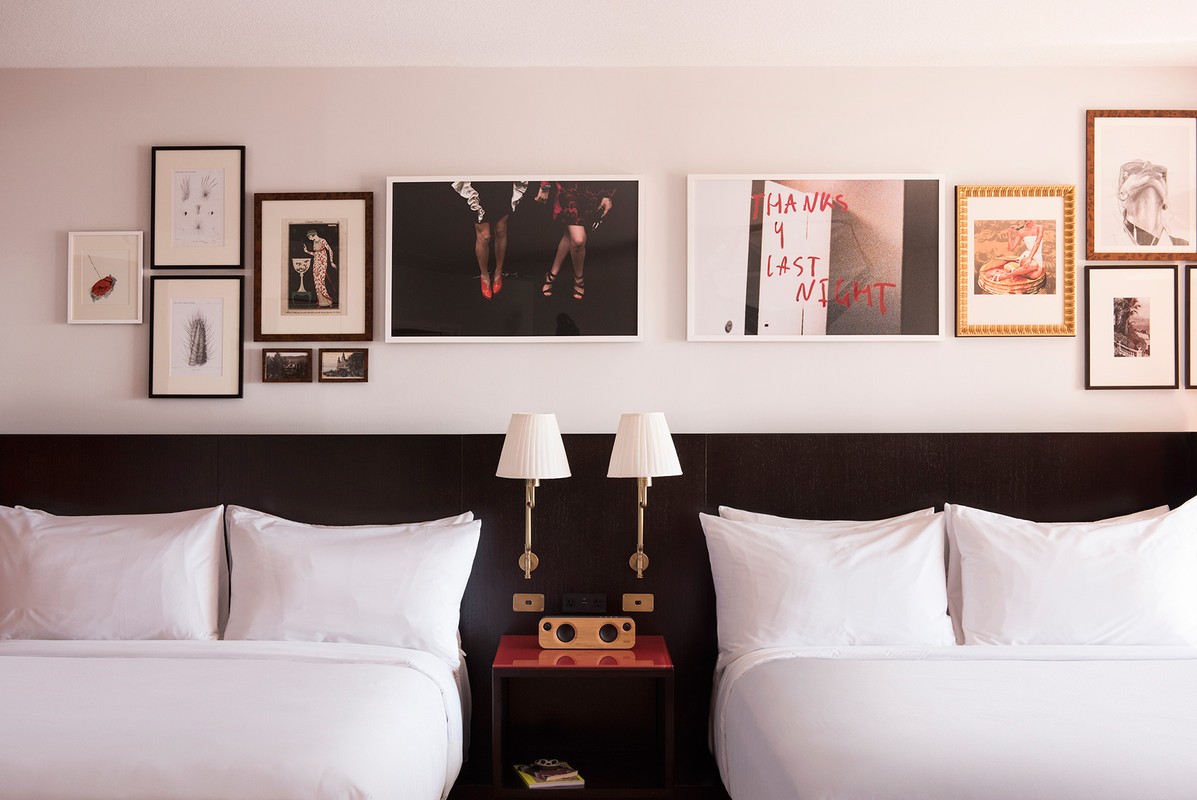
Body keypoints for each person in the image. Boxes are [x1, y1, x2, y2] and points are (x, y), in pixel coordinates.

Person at [536, 181, 615, 300]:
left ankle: (552, 274)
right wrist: (545, 185)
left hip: (594, 189)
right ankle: (579, 278)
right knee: (578, 239)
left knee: (570, 234)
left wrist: (608, 195)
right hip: (569, 186)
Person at [451, 181, 529, 299]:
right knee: (484, 236)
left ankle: (498, 271)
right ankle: (484, 275)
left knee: (501, 229)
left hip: (499, 181)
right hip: (478, 180)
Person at [1116, 159, 1190, 247]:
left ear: (1166, 201)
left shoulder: (1184, 246)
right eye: (1135, 169)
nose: (1148, 165)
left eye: (1158, 169)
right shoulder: (1108, 245)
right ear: (1121, 194)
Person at [978, 219, 1046, 294]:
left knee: (1035, 275)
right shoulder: (1021, 232)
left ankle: (1013, 272)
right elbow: (1011, 248)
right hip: (1026, 255)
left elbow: (1037, 243)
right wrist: (1009, 234)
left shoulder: (1040, 227)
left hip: (1036, 256)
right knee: (1034, 265)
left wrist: (1030, 258)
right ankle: (1008, 276)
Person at [303, 229, 336, 307]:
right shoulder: (314, 241)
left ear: (313, 235)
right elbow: (315, 254)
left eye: (310, 237)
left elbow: (330, 250)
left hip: (322, 262)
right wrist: (306, 251)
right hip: (316, 262)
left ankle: (328, 301)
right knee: (316, 281)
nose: (310, 239)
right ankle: (321, 302)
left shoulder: (322, 240)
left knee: (321, 281)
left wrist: (331, 262)